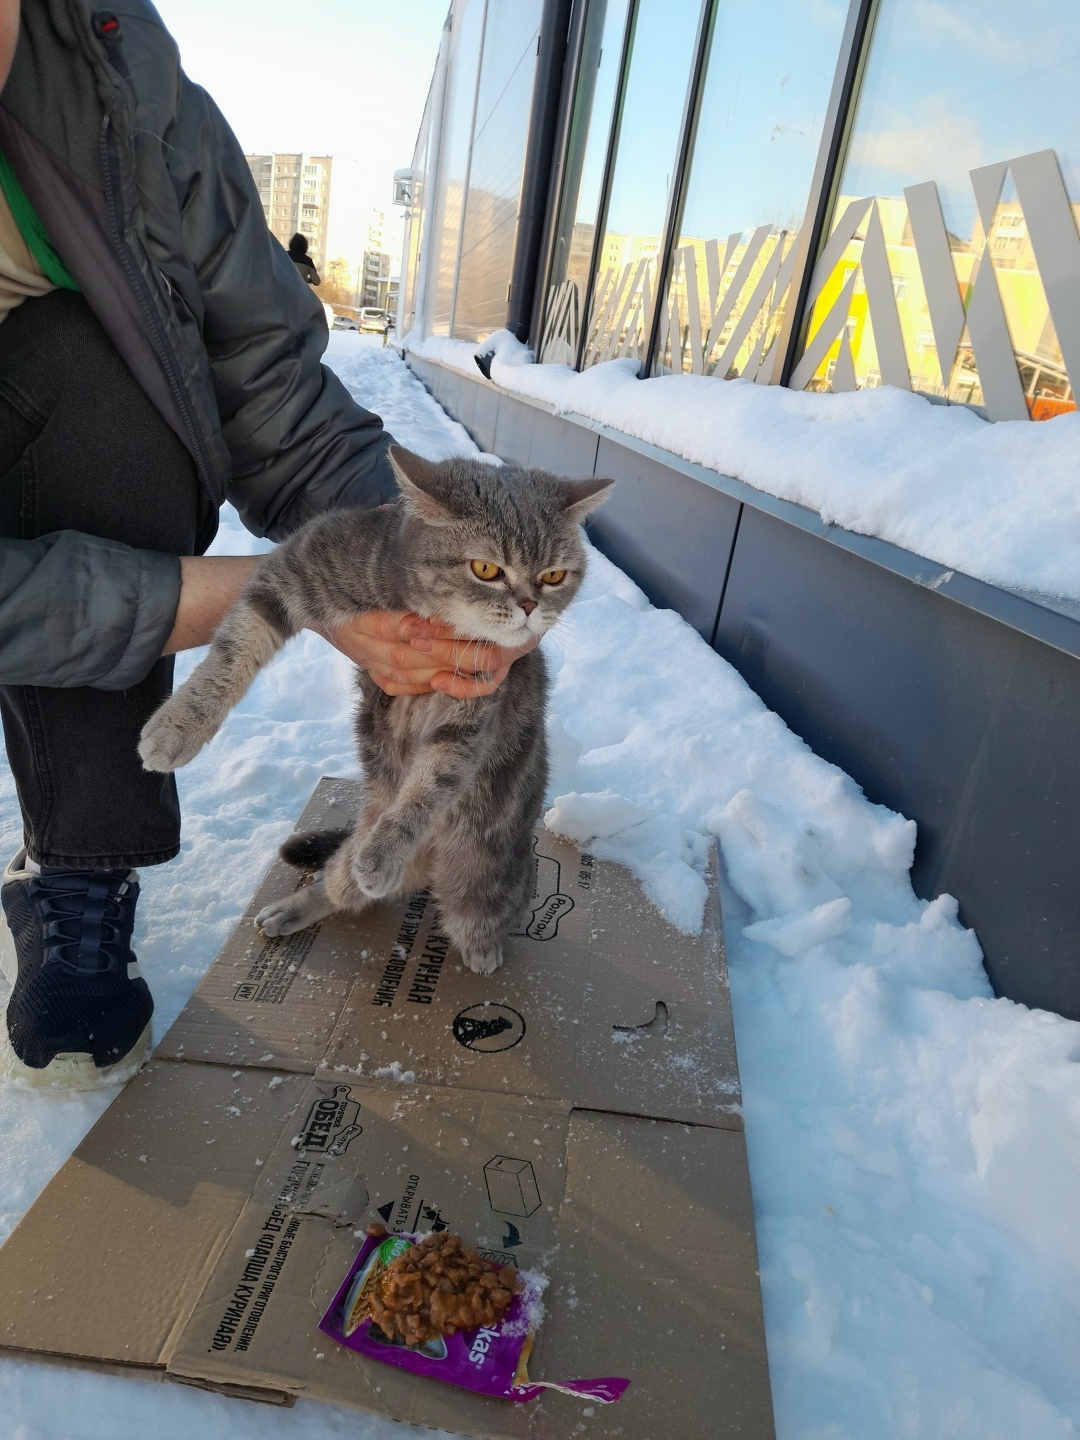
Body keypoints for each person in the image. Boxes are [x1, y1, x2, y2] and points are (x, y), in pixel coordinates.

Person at [0, 0, 533, 1088]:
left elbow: (273, 391)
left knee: (106, 373)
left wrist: (408, 573)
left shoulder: (118, 80)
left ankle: (82, 862)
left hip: (36, 402)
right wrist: (265, 593)